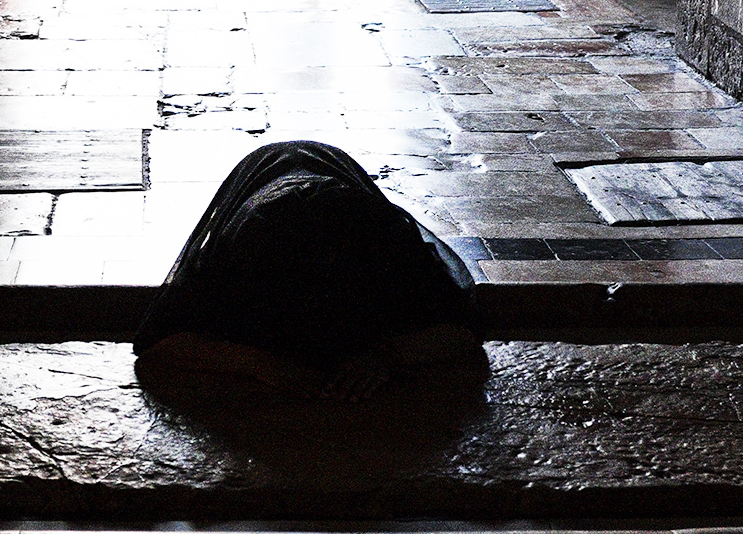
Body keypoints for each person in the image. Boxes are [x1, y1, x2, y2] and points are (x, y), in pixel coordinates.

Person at [133, 142, 485, 401]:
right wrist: (262, 365)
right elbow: (162, 343)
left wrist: (387, 356)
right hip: (267, 200)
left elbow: (462, 327)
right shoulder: (247, 253)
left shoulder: (383, 245)